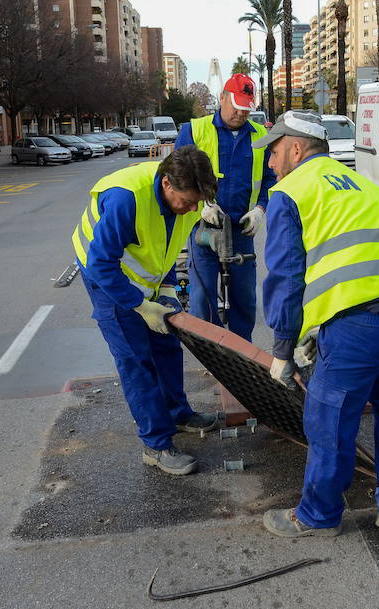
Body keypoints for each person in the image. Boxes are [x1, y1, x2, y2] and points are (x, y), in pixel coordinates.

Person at [257, 111, 379, 537]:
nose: (271, 164)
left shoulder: (290, 191)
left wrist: (283, 348)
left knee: (329, 418)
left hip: (358, 325)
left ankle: (316, 516)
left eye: (274, 153)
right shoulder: (360, 183)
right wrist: (320, 323)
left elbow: (286, 277)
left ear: (296, 149)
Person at [72, 147, 220, 476]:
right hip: (105, 277)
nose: (194, 209)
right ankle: (156, 444)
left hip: (144, 276)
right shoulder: (127, 199)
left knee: (166, 342)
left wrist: (168, 291)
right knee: (136, 358)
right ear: (167, 184)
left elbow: (163, 248)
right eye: (188, 201)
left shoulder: (184, 201)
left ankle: (177, 412)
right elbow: (101, 263)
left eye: (197, 202)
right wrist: (140, 305)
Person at [174, 73, 277, 342]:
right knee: (203, 294)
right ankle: (209, 349)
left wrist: (261, 209)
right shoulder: (195, 130)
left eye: (245, 109)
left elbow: (269, 179)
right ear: (222, 98)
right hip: (204, 228)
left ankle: (241, 350)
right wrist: (203, 206)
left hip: (241, 230)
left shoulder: (260, 136)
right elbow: (177, 174)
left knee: (244, 296)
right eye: (235, 107)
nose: (240, 114)